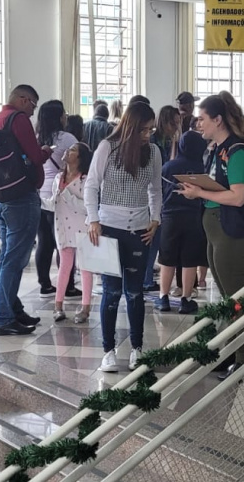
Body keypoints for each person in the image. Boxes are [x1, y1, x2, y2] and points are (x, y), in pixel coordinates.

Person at [177, 92, 244, 382]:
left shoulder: (239, 152)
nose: (198, 124)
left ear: (218, 120)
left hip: (234, 230)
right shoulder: (217, 149)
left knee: (238, 298)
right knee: (228, 298)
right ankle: (230, 352)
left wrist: (199, 191)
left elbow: (238, 197)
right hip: (216, 227)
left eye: (202, 119)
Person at [85, 100, 161, 373]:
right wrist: (93, 219)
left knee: (135, 292)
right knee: (112, 292)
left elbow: (155, 189)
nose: (147, 135)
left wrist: (155, 219)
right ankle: (108, 350)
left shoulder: (153, 152)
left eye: (151, 130)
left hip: (139, 229)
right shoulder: (108, 147)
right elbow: (91, 185)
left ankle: (137, 348)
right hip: (109, 227)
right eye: (143, 130)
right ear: (130, 127)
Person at [0, 84, 50, 336]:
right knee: (14, 260)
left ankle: (12, 307)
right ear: (23, 100)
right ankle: (3, 317)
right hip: (21, 197)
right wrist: (44, 151)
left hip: (0, 198)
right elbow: (34, 156)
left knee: (9, 256)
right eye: (33, 104)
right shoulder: (18, 120)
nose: (33, 111)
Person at [41, 143, 94, 323]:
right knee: (64, 266)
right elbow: (54, 203)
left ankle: (85, 307)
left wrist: (67, 196)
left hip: (82, 227)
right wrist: (39, 201)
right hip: (62, 226)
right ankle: (58, 305)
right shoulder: (58, 177)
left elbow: (87, 207)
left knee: (85, 267)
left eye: (72, 150)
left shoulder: (86, 179)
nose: (67, 152)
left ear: (79, 158)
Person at [159, 131, 209, 314]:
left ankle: (163, 297)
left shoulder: (168, 167)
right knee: (190, 260)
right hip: (193, 218)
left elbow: (160, 190)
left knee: (167, 258)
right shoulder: (201, 168)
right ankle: (186, 299)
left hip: (170, 218)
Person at [36, 100, 79, 297]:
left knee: (44, 242)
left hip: (40, 194)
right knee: (64, 241)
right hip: (61, 195)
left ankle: (44, 283)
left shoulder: (36, 137)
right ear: (59, 116)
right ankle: (67, 285)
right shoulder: (67, 138)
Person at [142, 105, 183, 292]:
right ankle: (146, 278)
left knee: (156, 239)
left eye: (178, 123)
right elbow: (166, 169)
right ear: (164, 122)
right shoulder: (153, 143)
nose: (176, 127)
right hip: (152, 196)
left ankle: (147, 276)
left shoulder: (169, 141)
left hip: (162, 195)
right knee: (152, 238)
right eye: (173, 123)